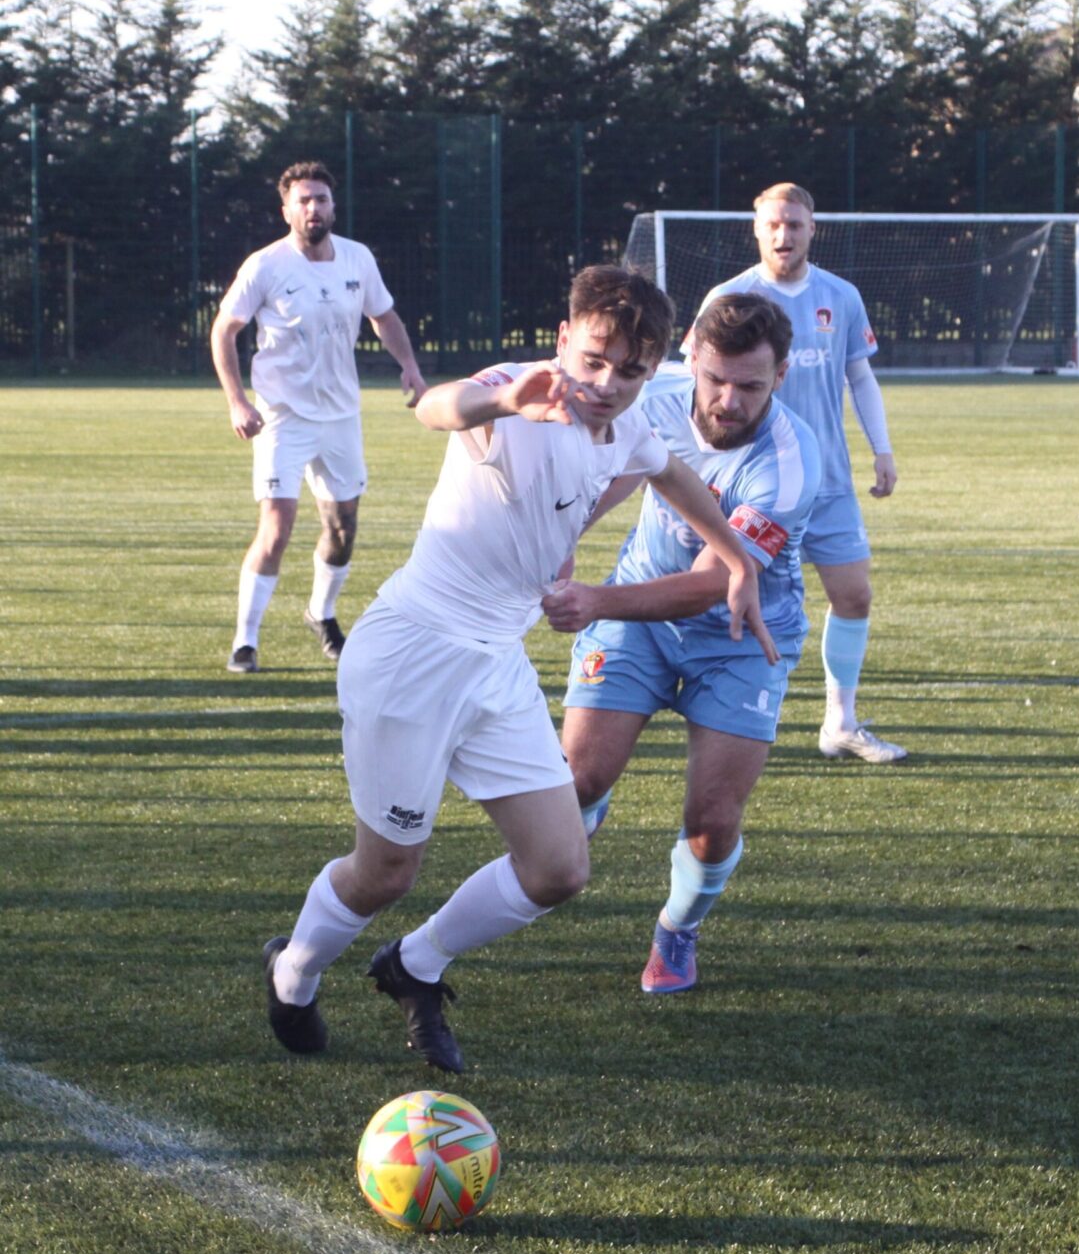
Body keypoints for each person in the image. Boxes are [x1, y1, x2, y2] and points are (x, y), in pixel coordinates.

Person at [261, 267, 774, 1072]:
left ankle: (414, 966)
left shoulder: (629, 423)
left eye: (631, 371)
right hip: (412, 654)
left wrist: (735, 558)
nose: (607, 384)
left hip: (496, 666)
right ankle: (292, 970)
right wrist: (502, 401)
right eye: (595, 360)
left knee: (559, 867)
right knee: (387, 870)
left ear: (652, 369)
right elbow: (437, 406)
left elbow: (671, 472)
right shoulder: (517, 390)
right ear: (566, 338)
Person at [548, 293, 822, 994]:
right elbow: (598, 478)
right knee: (576, 780)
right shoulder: (652, 397)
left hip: (736, 638)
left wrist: (591, 602)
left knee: (713, 820)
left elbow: (710, 586)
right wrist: (559, 545)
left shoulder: (789, 464)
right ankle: (588, 802)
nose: (729, 401)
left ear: (781, 376)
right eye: (717, 379)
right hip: (637, 615)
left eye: (751, 385)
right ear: (692, 359)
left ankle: (678, 927)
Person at [690, 182, 905, 762]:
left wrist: (881, 449)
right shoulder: (728, 296)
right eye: (774, 225)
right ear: (756, 230)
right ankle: (715, 714)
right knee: (722, 593)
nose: (784, 235)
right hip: (750, 481)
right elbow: (693, 382)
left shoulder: (842, 295)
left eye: (795, 224)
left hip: (827, 481)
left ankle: (841, 721)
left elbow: (860, 376)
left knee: (854, 595)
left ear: (814, 229)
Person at [211, 160, 428, 674]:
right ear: (286, 210)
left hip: (340, 416)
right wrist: (237, 402)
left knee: (343, 526)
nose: (314, 208)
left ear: (334, 206)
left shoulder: (357, 258)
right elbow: (224, 330)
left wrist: (411, 368)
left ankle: (321, 614)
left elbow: (384, 316)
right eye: (304, 200)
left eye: (322, 199)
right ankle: (245, 641)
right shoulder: (265, 265)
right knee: (277, 525)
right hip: (281, 416)